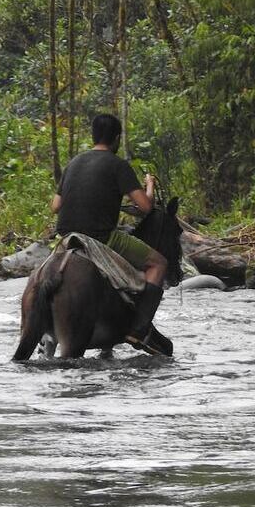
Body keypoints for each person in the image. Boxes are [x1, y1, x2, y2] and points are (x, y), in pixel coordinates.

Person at [51, 114, 172, 356]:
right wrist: (149, 185)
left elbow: (55, 206)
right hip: (101, 238)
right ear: (117, 138)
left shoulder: (74, 162)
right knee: (159, 263)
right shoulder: (117, 165)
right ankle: (138, 330)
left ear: (93, 135)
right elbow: (146, 207)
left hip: (65, 237)